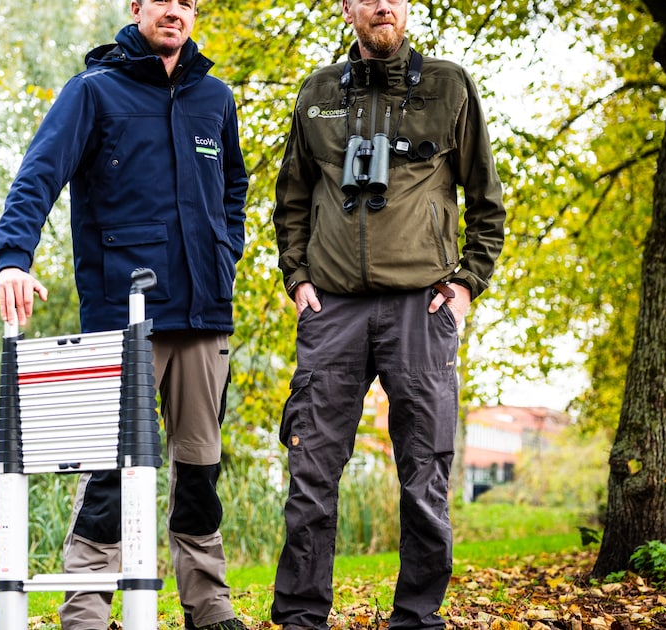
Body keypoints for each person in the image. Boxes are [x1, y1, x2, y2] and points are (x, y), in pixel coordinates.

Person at [0, 0, 249, 628]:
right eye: (163, 0)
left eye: (188, 3)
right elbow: (37, 176)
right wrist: (13, 258)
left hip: (204, 313)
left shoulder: (215, 98)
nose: (175, 11)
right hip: (123, 317)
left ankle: (209, 608)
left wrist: (224, 252)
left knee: (200, 470)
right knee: (107, 474)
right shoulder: (93, 92)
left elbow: (234, 192)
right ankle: (85, 611)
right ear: (136, 7)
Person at [269, 0, 506, 627]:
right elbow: (291, 198)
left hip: (420, 307)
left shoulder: (448, 86)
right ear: (347, 8)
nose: (382, 6)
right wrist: (297, 280)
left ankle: (417, 618)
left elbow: (487, 201)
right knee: (311, 470)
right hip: (333, 308)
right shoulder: (316, 93)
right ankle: (299, 617)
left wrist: (465, 286)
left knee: (424, 473)